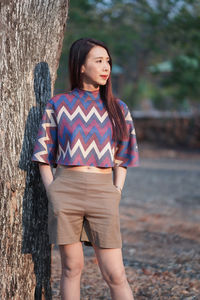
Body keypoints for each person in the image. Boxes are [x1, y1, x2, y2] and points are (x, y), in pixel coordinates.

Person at [32, 37, 139, 300]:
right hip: (66, 190)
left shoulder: (118, 108)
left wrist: (116, 191)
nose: (106, 67)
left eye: (108, 61)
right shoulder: (58, 104)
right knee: (71, 268)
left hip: (104, 192)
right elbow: (43, 154)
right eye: (98, 61)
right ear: (81, 66)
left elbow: (123, 156)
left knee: (115, 274)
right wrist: (52, 191)